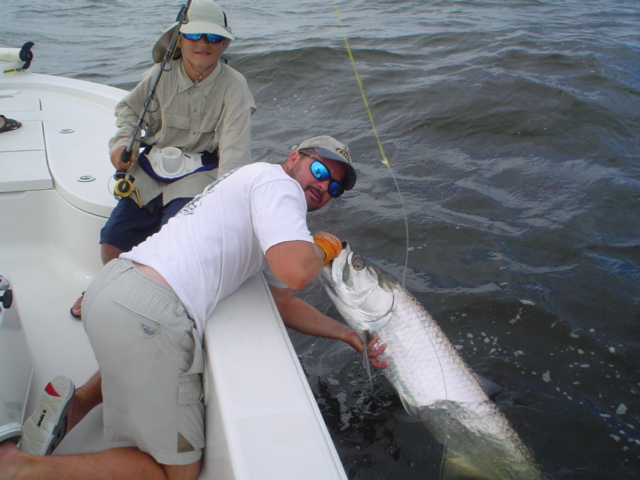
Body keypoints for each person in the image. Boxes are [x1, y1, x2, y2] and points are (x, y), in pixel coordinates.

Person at [0, 135, 389, 480]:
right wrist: (323, 248)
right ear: (292, 159)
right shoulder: (277, 185)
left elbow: (282, 299)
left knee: (140, 355)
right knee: (177, 473)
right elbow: (297, 271)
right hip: (148, 312)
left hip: (111, 287)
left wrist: (348, 335)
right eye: (319, 169)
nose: (324, 185)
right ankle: (20, 470)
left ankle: (78, 402)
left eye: (335, 187)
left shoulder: (260, 197)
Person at [69, 0, 256, 318]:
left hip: (201, 171)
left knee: (176, 236)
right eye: (195, 34)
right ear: (179, 38)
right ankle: (111, 287)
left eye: (213, 38)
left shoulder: (234, 87)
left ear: (223, 43)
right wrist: (121, 146)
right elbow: (128, 112)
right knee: (113, 239)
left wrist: (226, 208)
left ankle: (141, 296)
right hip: (151, 166)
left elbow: (234, 156)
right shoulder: (158, 75)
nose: (203, 44)